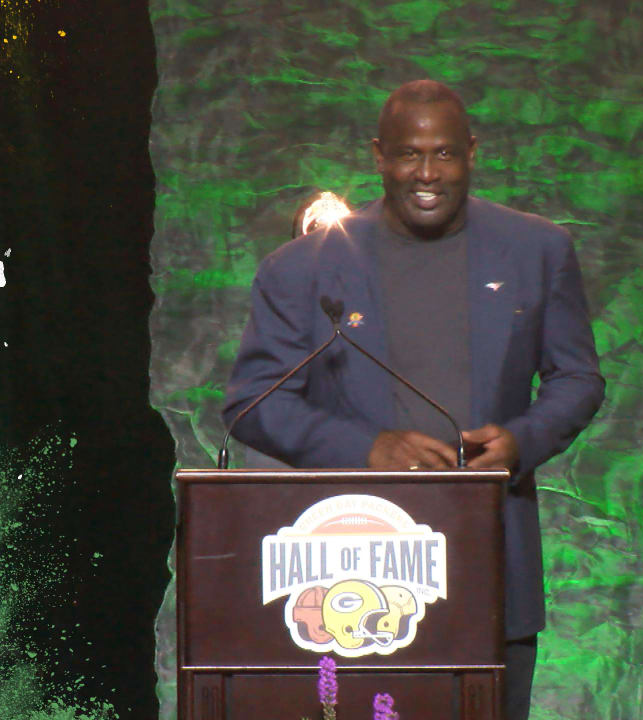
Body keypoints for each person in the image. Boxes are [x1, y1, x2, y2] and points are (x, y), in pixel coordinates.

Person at [224, 79, 604, 720]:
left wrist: (522, 439)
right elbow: (253, 402)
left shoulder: (537, 251)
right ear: (379, 155)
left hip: (490, 566)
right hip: (349, 571)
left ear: (472, 153)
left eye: (444, 154)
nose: (426, 173)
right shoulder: (303, 268)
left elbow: (578, 379)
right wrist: (368, 447)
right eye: (408, 154)